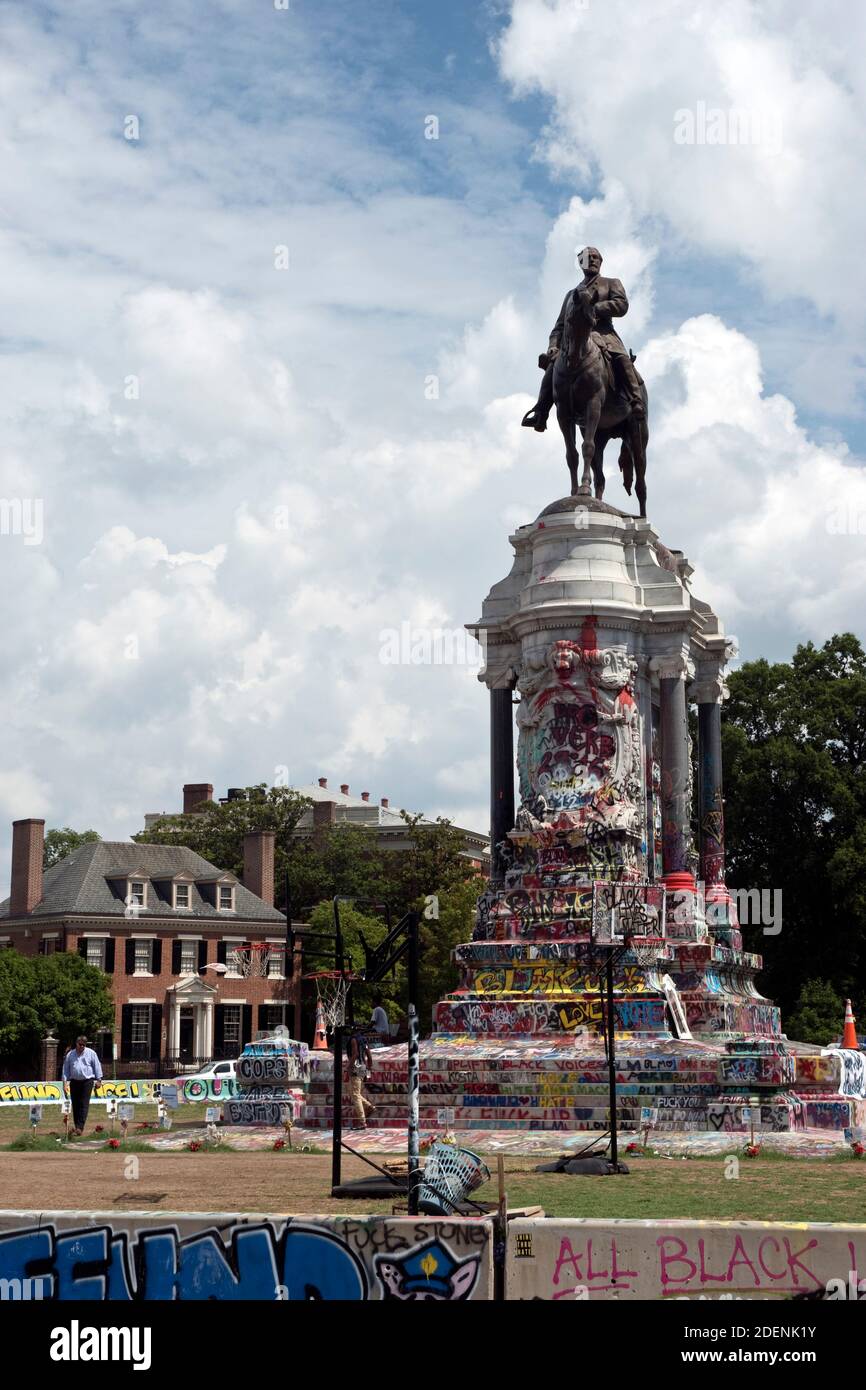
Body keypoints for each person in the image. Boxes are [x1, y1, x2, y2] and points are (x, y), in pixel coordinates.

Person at [521, 245, 645, 432]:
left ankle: (635, 399)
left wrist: (593, 308)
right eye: (588, 258)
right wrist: (553, 347)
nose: (592, 260)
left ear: (601, 261)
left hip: (604, 335)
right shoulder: (571, 295)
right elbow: (559, 326)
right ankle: (541, 412)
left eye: (595, 257)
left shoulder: (611, 283)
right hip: (573, 340)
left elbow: (622, 305)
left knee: (622, 359)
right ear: (581, 263)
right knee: (553, 368)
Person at [62, 1036, 103, 1135]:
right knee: (75, 1104)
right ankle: (77, 1126)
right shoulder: (70, 1055)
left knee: (83, 1104)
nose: (82, 1046)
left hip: (87, 1081)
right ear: (76, 1043)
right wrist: (64, 1083)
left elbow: (97, 1066)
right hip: (74, 1082)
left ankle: (80, 1127)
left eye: (84, 1045)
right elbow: (65, 1070)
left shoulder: (91, 1053)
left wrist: (99, 1080)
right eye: (80, 1044)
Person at [346, 1029, 375, 1130]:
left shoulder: (353, 1040)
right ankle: (369, 1107)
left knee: (355, 1094)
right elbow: (370, 1058)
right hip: (363, 1067)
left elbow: (355, 1054)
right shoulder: (364, 1041)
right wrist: (368, 1073)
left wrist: (348, 1067)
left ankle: (362, 1122)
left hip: (356, 1067)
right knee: (353, 1092)